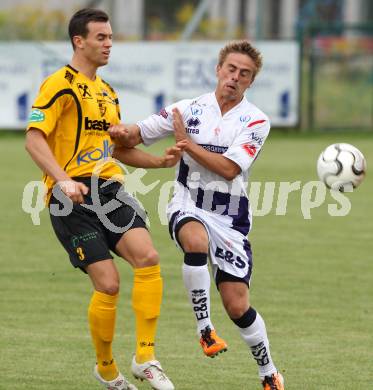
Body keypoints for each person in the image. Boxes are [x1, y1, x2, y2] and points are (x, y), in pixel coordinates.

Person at [110, 40, 285, 390]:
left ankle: (268, 372)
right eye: (231, 69)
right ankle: (204, 329)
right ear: (219, 69)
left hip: (231, 218)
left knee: (238, 305)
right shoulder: (187, 109)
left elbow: (230, 168)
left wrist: (188, 145)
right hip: (188, 204)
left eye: (244, 74)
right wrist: (119, 130)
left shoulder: (256, 121)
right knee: (195, 239)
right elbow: (133, 138)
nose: (235, 77)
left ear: (251, 82)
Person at [25, 8, 182, 390]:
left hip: (108, 190)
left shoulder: (108, 93)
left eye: (110, 37)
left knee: (148, 257)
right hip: (70, 198)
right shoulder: (58, 84)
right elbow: (34, 138)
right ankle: (107, 369)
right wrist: (62, 181)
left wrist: (157, 162)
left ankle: (145, 357)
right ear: (79, 41)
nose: (109, 43)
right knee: (108, 284)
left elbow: (115, 151)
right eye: (101, 37)